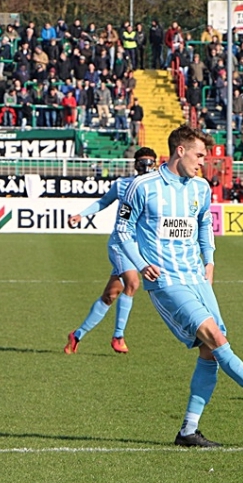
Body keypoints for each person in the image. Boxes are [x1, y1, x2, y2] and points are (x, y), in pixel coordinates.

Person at [116, 125, 243, 447]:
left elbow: (204, 224)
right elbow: (123, 231)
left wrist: (209, 261)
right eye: (199, 155)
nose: (203, 161)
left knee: (211, 351)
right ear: (180, 150)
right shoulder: (143, 186)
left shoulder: (200, 187)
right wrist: (142, 264)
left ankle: (188, 430)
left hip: (197, 278)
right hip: (167, 281)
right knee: (215, 337)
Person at [64, 147, 158, 355]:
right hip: (119, 244)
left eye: (150, 162)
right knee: (133, 283)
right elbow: (104, 202)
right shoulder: (123, 185)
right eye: (142, 162)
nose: (146, 166)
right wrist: (81, 215)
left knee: (110, 295)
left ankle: (77, 335)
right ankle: (118, 336)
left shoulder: (157, 189)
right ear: (135, 165)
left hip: (138, 248)